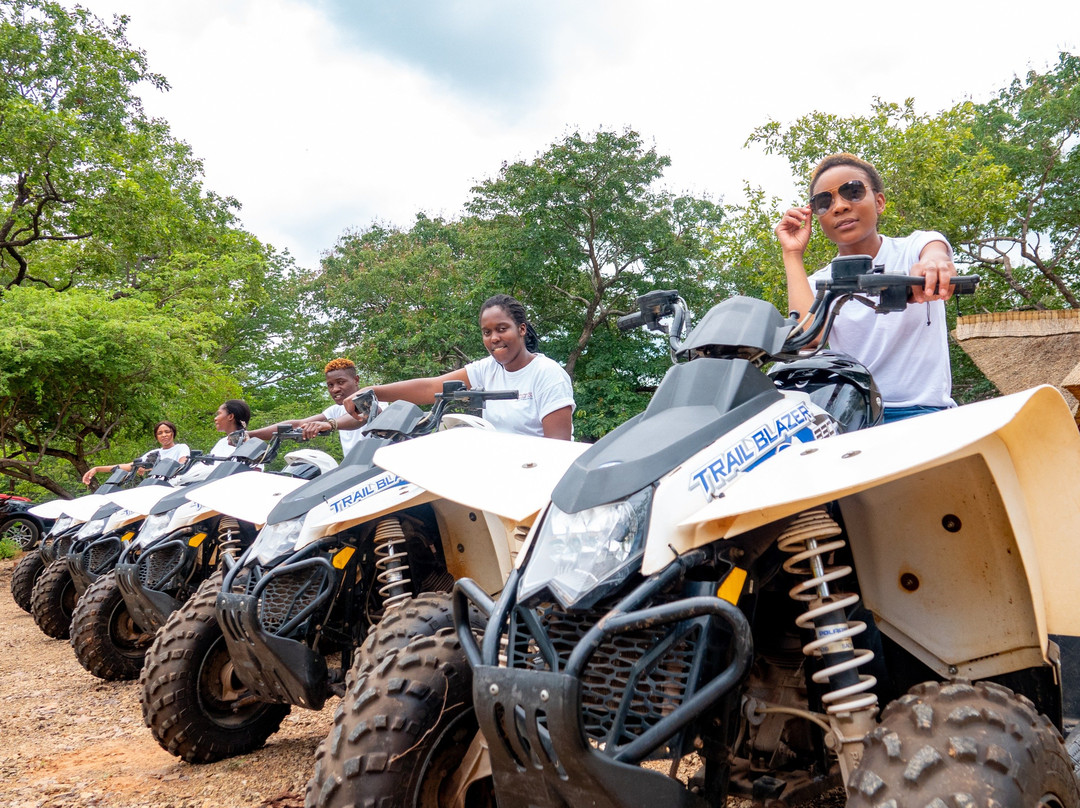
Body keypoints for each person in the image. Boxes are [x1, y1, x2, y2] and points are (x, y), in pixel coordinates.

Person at [774, 153, 960, 422]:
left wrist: (934, 266)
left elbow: (934, 254)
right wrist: (791, 254)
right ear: (816, 216)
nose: (839, 207)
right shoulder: (817, 283)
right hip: (852, 416)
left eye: (853, 191)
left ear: (879, 201)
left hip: (923, 412)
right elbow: (808, 338)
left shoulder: (913, 249)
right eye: (824, 202)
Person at [345, 294, 575, 440]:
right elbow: (431, 387)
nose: (494, 338)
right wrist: (374, 391)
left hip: (537, 478)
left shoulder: (548, 374)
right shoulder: (488, 369)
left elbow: (557, 448)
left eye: (502, 329)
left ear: (521, 329)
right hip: (500, 468)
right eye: (487, 332)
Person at [246, 358, 365, 455]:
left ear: (356, 380)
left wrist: (329, 424)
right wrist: (250, 435)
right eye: (330, 385)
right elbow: (298, 424)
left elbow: (363, 414)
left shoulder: (372, 400)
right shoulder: (335, 410)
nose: (335, 389)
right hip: (354, 470)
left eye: (341, 382)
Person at [81, 421, 190, 485]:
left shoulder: (181, 448)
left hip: (173, 487)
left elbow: (182, 463)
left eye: (167, 432)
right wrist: (97, 469)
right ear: (156, 437)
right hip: (154, 487)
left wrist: (150, 468)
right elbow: (130, 466)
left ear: (173, 433)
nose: (164, 435)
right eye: (160, 433)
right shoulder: (154, 453)